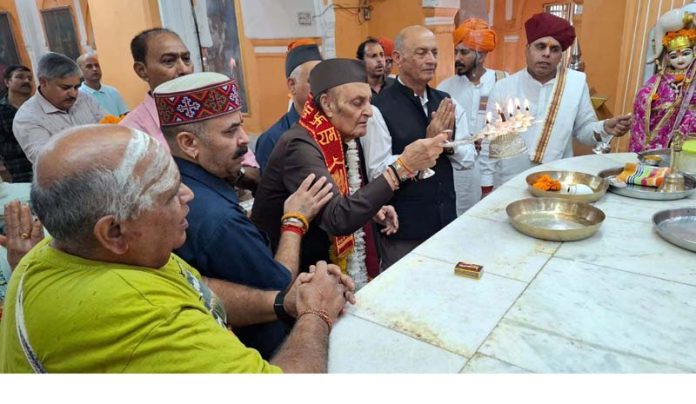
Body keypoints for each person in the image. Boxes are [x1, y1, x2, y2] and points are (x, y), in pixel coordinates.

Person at [0, 124, 350, 373]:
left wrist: (284, 302)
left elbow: (195, 288)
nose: (189, 196)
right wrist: (315, 312)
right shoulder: (142, 315)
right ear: (115, 231)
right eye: (169, 194)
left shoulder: (65, 250)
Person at [155, 72, 349, 359]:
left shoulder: (180, 182)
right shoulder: (218, 220)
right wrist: (295, 219)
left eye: (241, 127)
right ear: (188, 143)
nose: (244, 139)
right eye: (230, 132)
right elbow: (281, 287)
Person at [254, 58, 448, 282]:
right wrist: (401, 168)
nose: (369, 112)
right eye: (357, 103)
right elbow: (336, 218)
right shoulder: (300, 146)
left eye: (368, 102)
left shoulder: (341, 135)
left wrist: (372, 208)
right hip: (288, 277)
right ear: (327, 104)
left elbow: (337, 196)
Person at [362, 25, 477, 269]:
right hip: (403, 228)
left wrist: (444, 145)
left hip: (445, 220)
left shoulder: (447, 103)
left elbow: (468, 158)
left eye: (434, 53)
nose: (431, 60)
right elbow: (376, 171)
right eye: (422, 53)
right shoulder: (378, 108)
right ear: (398, 59)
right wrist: (424, 146)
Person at [479, 12, 632, 193]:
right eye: (540, 46)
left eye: (554, 49)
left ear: (561, 56)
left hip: (557, 178)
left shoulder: (575, 83)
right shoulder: (504, 87)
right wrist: (486, 184)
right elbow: (492, 140)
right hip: (509, 179)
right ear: (527, 49)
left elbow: (583, 130)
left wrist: (605, 128)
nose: (546, 54)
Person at [120, 28, 260, 189]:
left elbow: (253, 172)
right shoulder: (130, 134)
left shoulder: (212, 108)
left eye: (186, 59)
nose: (184, 70)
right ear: (142, 70)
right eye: (168, 61)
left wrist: (231, 171)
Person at [438, 18, 508, 214]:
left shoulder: (502, 82)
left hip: (495, 171)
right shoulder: (445, 88)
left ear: (482, 55)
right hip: (458, 175)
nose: (457, 58)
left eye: (464, 52)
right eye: (455, 52)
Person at [12, 52, 106, 164]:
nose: (73, 94)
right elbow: (47, 161)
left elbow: (109, 128)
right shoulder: (27, 118)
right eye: (65, 87)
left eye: (76, 87)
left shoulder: (84, 99)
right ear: (44, 82)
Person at [629, 10, 696, 152]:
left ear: (694, 51)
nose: (680, 60)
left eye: (685, 53)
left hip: (688, 131)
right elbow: (644, 96)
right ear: (666, 57)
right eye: (674, 56)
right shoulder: (662, 77)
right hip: (660, 130)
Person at [255, 42, 322, 172]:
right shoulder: (272, 139)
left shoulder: (335, 128)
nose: (321, 86)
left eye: (323, 78)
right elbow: (266, 191)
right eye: (313, 80)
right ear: (292, 85)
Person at [0, 65, 34, 182]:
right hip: (18, 175)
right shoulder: (2, 110)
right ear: (7, 82)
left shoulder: (39, 107)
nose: (26, 81)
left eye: (30, 78)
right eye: (20, 77)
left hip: (47, 170)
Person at [77, 51, 129, 116]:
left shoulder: (113, 92)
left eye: (97, 65)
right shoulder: (78, 96)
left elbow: (126, 116)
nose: (94, 69)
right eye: (89, 66)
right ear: (80, 71)